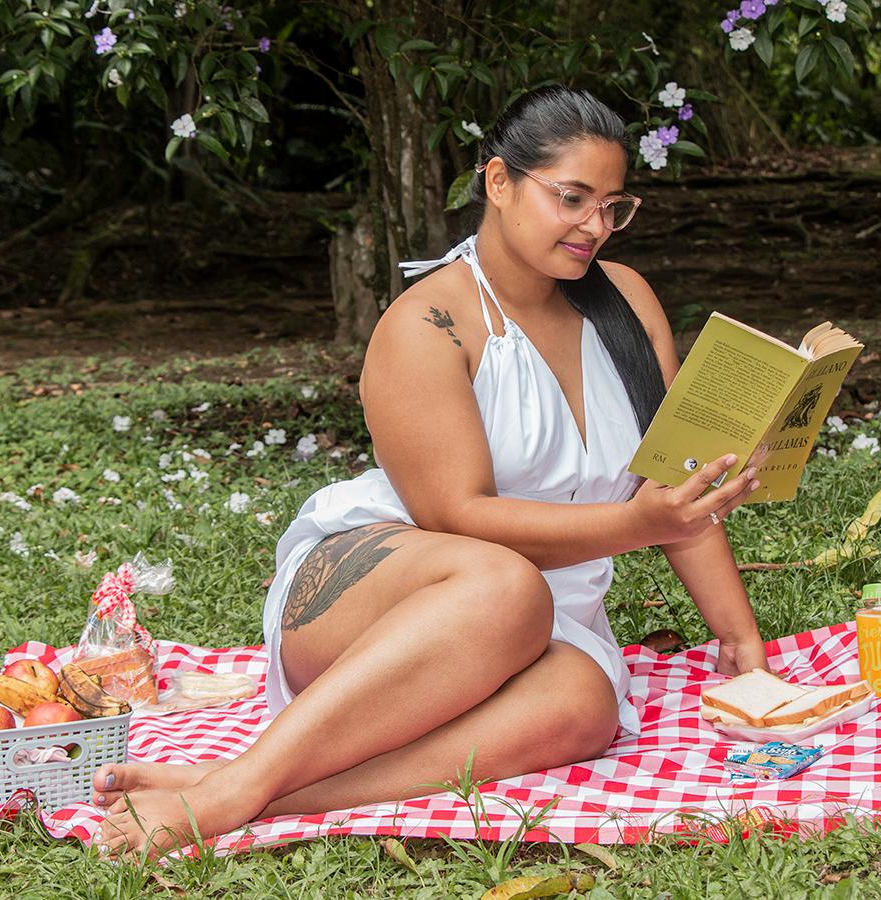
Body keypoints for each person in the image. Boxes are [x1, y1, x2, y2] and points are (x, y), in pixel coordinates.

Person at [93, 85, 766, 858]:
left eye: (614, 206)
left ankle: (249, 788)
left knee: (587, 705)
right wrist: (636, 525)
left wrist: (740, 639)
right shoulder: (426, 324)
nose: (595, 226)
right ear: (499, 182)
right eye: (573, 198)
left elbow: (673, 491)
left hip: (545, 618)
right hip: (381, 594)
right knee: (505, 584)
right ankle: (237, 788)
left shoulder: (626, 302)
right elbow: (457, 515)